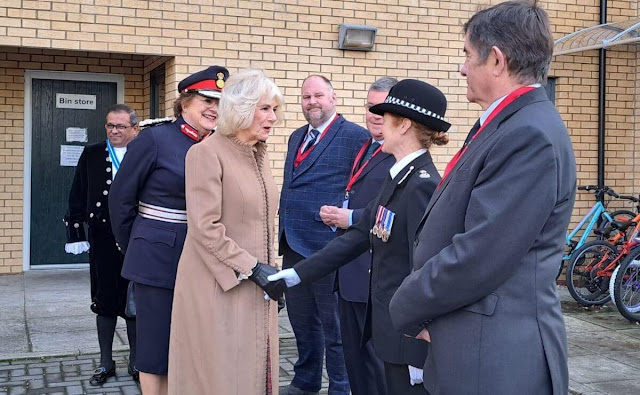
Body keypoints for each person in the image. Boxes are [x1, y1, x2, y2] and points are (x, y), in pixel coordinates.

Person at [388, 2, 576, 394]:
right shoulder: (509, 123)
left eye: (467, 56)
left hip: (495, 361)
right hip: (476, 349)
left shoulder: (529, 135)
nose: (461, 68)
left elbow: (480, 254)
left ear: (496, 60)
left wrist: (406, 304)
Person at [270, 78, 451, 394]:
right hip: (388, 328)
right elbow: (356, 237)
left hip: (406, 336)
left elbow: (422, 267)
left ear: (405, 125)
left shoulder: (420, 184)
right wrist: (295, 274)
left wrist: (417, 348)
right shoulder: (399, 178)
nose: (377, 120)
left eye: (386, 115)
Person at [109, 66, 229, 395]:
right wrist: (138, 244)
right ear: (185, 102)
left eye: (219, 102)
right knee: (155, 348)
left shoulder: (221, 144)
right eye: (206, 100)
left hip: (204, 260)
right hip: (158, 260)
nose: (214, 109)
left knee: (192, 346)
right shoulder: (155, 138)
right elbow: (120, 200)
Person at [167, 69, 286, 394]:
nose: (273, 117)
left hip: (256, 284)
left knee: (255, 370)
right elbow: (205, 227)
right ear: (241, 109)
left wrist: (270, 272)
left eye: (274, 109)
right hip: (217, 286)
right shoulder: (206, 153)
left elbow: (261, 223)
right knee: (222, 373)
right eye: (265, 108)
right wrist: (253, 268)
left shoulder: (259, 155)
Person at [278, 75, 369, 395]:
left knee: (335, 327)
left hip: (329, 247)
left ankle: (341, 387)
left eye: (318, 95)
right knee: (301, 321)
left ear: (334, 98)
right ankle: (305, 380)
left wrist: (348, 218)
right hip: (293, 243)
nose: (312, 102)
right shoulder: (295, 137)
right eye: (306, 97)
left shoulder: (356, 136)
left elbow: (365, 186)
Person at [318, 77, 397, 395]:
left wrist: (348, 217)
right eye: (370, 107)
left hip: (373, 275)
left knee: (375, 366)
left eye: (383, 107)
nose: (375, 114)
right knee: (355, 364)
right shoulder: (367, 146)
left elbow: (397, 215)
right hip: (350, 274)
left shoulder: (400, 155)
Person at [64, 104, 139, 385]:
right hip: (103, 237)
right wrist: (75, 232)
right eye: (110, 125)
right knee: (105, 301)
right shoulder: (93, 152)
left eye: (120, 126)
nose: (114, 131)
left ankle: (137, 361)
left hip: (137, 237)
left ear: (135, 128)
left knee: (135, 301)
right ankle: (105, 362)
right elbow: (77, 192)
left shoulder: (144, 151)